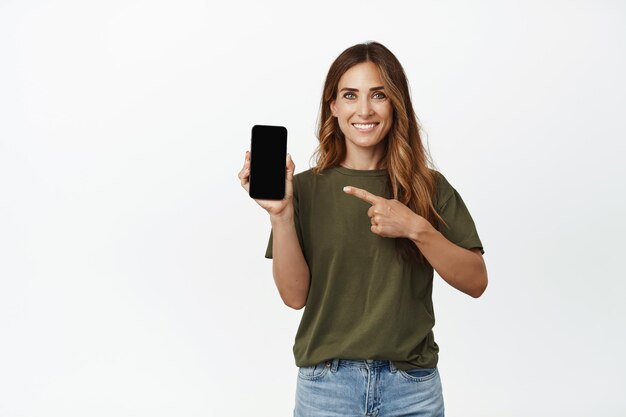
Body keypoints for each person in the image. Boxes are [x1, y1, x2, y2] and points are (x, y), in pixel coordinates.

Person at [238, 41, 488, 417]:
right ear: (333, 106)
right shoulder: (304, 189)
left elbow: (476, 281)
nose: (365, 110)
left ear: (396, 104)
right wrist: (281, 215)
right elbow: (294, 297)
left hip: (411, 390)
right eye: (350, 95)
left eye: (379, 95)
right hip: (327, 388)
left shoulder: (429, 188)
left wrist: (416, 228)